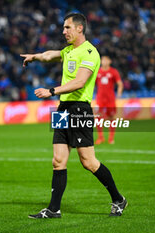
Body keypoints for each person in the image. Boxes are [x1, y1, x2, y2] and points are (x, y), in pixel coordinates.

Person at [20, 13, 127, 218]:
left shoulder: (89, 53)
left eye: (67, 27)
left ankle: (118, 199)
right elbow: (50, 55)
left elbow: (79, 82)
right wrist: (34, 57)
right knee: (58, 160)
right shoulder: (69, 50)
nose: (63, 31)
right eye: (63, 27)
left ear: (79, 28)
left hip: (79, 109)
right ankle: (53, 209)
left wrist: (51, 91)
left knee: (88, 162)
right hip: (62, 109)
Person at [95, 55, 123, 145]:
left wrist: (119, 94)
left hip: (110, 99)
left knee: (111, 117)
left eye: (106, 60)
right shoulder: (97, 72)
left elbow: (120, 84)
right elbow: (91, 84)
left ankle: (111, 138)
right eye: (102, 60)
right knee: (98, 117)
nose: (104, 62)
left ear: (109, 61)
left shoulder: (113, 72)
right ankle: (101, 137)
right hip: (99, 99)